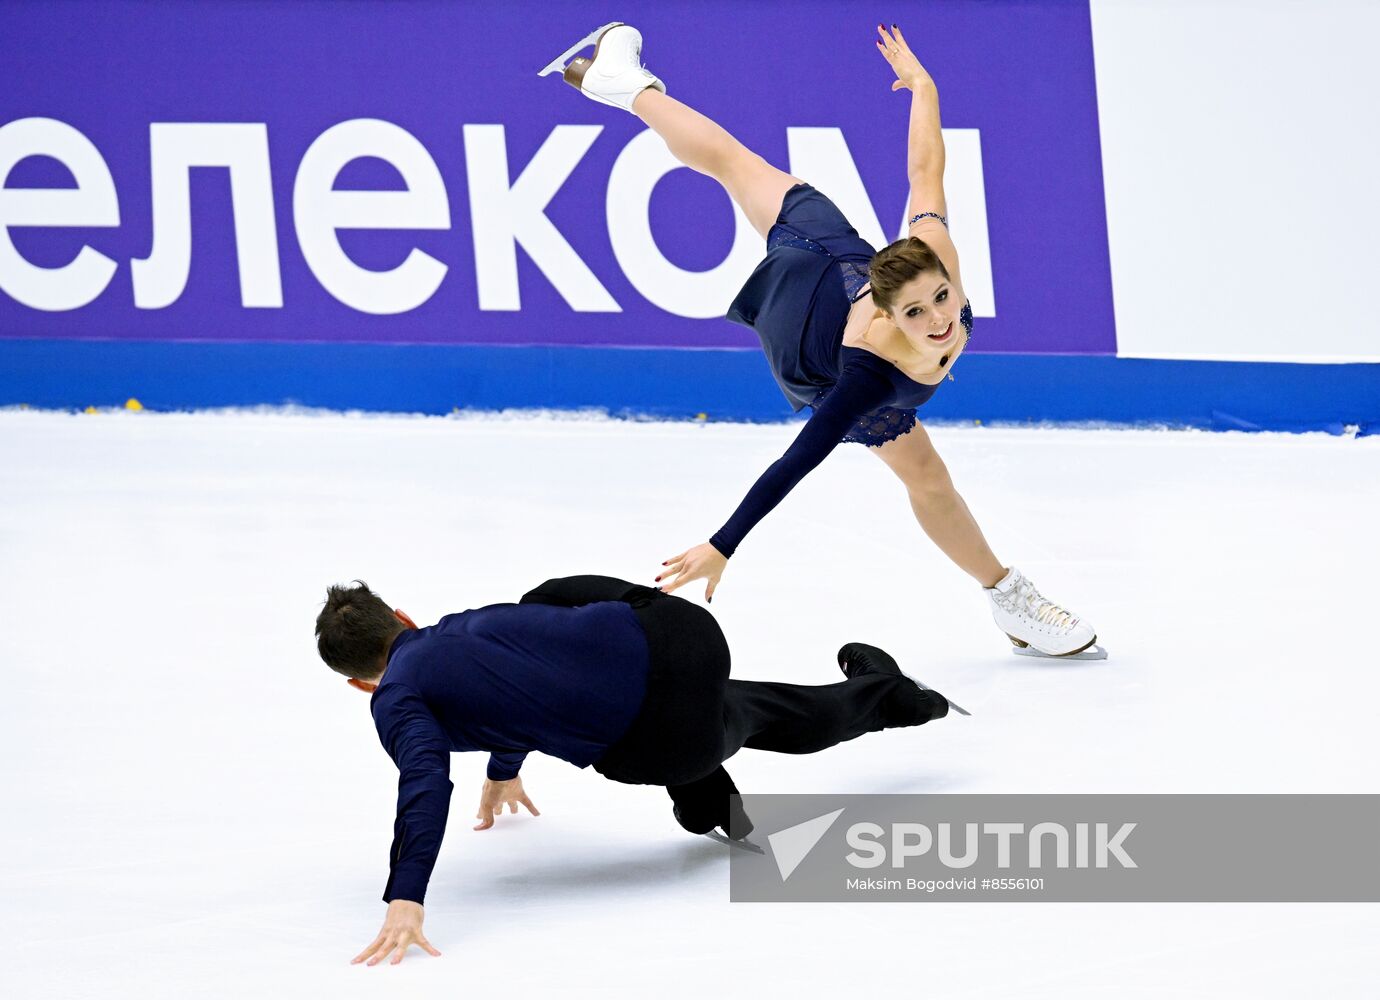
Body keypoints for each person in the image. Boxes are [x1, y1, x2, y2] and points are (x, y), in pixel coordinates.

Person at [541, 22, 1100, 657]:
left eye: (942, 297)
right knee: (927, 473)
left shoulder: (933, 257)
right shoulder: (867, 378)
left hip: (834, 253)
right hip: (811, 344)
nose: (941, 319)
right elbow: (797, 460)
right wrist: (723, 544)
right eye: (917, 313)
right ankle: (1008, 596)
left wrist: (923, 86)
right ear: (888, 314)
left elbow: (925, 172)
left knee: (735, 162)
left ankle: (622, 83)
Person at [315, 576, 958, 965]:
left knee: (714, 738)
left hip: (663, 738)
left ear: (358, 685)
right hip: (682, 634)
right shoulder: (463, 630)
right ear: (401, 618)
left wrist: (407, 894)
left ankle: (877, 711)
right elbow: (518, 690)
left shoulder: (397, 699)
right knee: (552, 602)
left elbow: (424, 782)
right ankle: (881, 694)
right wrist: (504, 766)